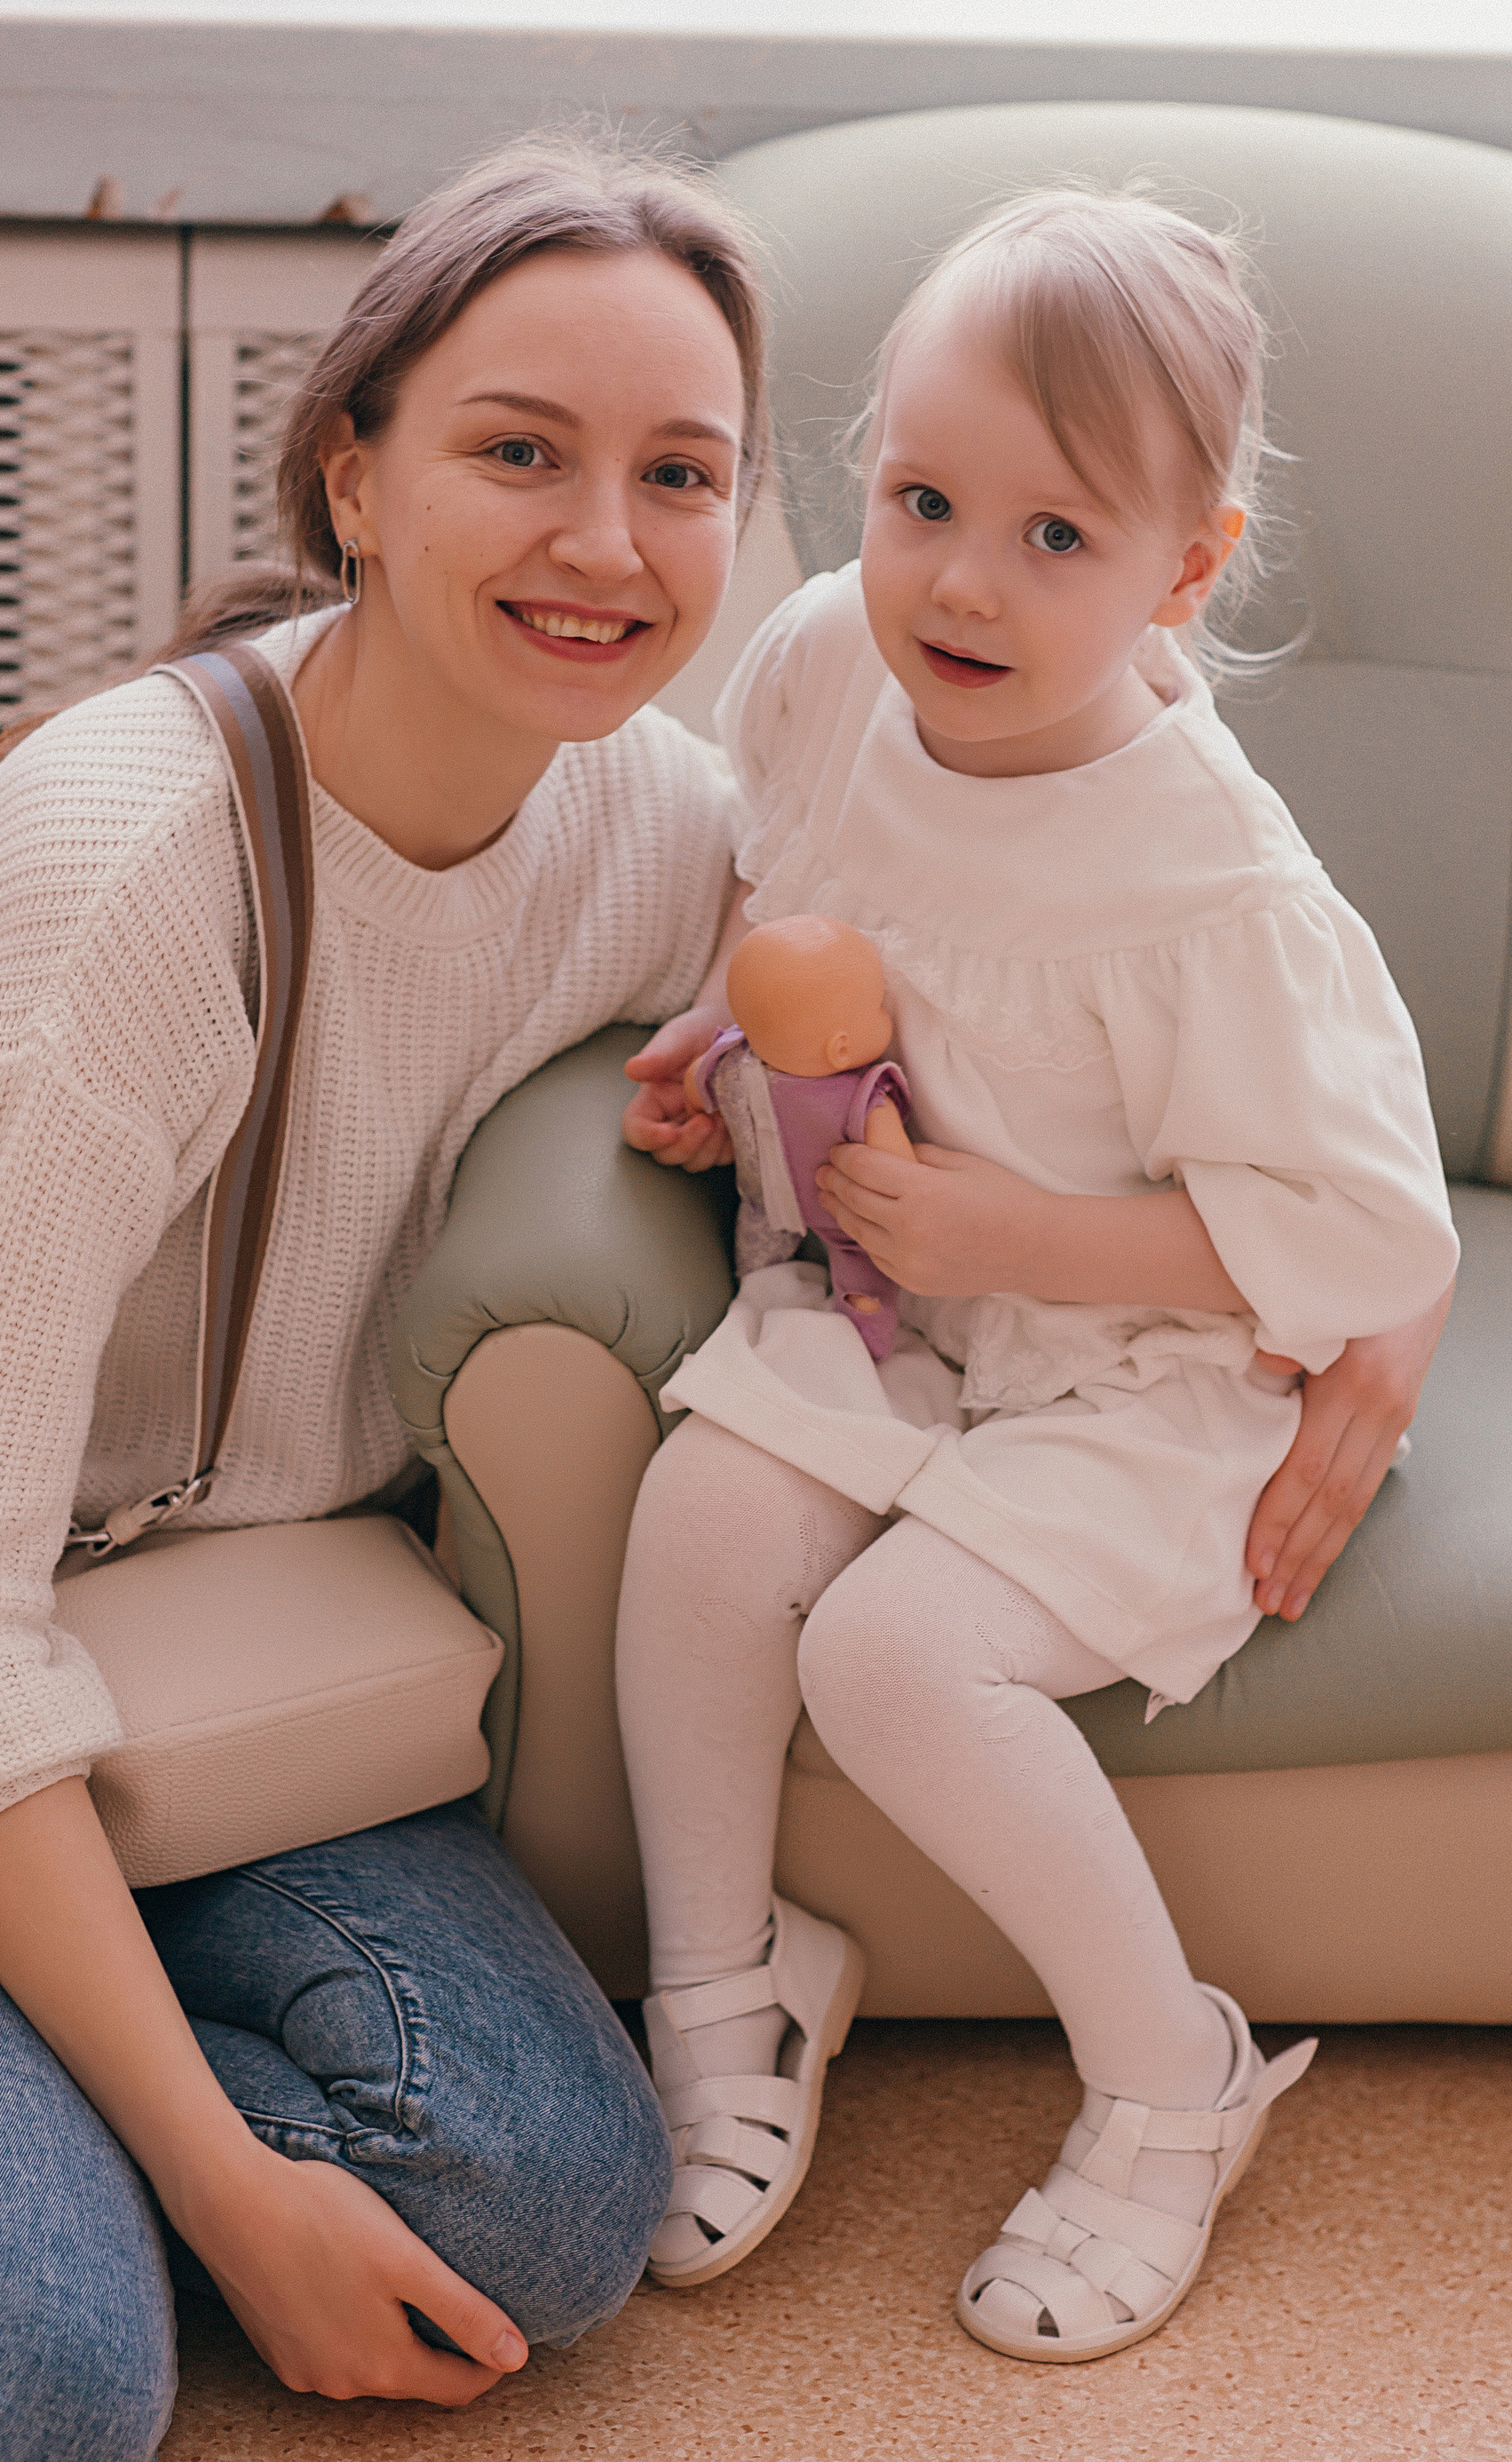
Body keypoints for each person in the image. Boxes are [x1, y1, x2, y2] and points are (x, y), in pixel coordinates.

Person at [0, 131, 765, 2457]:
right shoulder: (119, 893)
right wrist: (229, 2189)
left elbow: (975, 915)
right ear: (353, 475)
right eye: (517, 454)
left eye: (680, 474)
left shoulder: (652, 818)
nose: (607, 543)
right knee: (17, 2390)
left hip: (197, 1630)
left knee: (548, 2202)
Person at [614, 188, 1459, 2359]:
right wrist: (724, 1037)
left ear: (1185, 568)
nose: (963, 584)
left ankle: (1175, 2078)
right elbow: (804, 898)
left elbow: (1357, 1232)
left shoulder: (1211, 886)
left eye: (1057, 536)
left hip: (1151, 1362)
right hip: (895, 1299)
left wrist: (1027, 1235)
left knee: (894, 1654)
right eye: (921, 502)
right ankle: (725, 1984)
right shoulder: (831, 666)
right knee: (703, 1518)